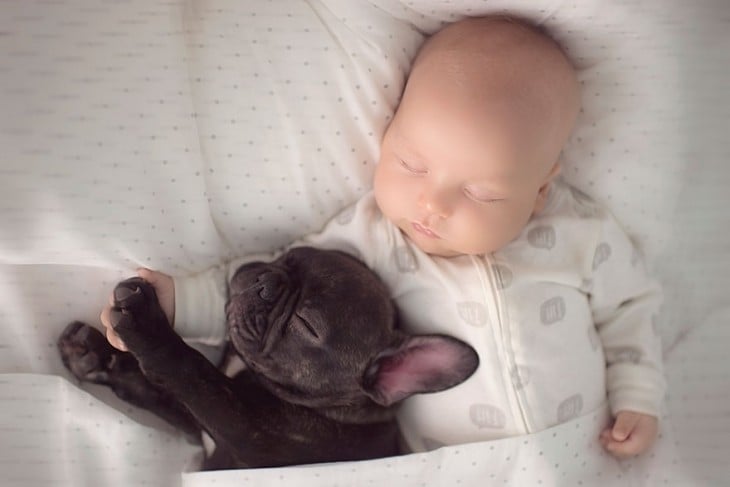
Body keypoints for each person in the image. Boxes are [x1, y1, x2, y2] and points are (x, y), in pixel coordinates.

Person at [101, 16, 665, 458]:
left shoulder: (580, 234)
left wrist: (639, 398)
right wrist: (182, 302)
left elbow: (630, 311)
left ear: (540, 191)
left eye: (482, 194)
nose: (433, 205)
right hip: (438, 468)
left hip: (582, 452)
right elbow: (269, 282)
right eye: (411, 163)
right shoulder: (372, 235)